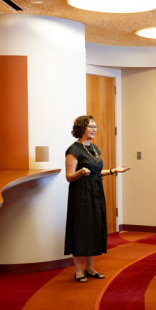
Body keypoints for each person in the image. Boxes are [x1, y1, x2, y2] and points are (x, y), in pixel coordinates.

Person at [64, 115, 130, 283]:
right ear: (81, 129)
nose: (94, 129)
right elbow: (69, 176)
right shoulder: (74, 150)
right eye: (90, 126)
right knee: (80, 230)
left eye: (95, 126)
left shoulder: (94, 148)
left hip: (96, 193)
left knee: (93, 228)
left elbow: (95, 172)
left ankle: (90, 267)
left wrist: (114, 170)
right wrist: (79, 172)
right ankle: (78, 271)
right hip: (80, 195)